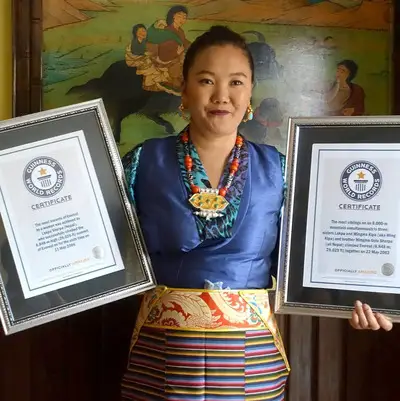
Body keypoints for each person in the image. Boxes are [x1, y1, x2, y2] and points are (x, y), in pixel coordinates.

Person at [120, 25, 392, 401]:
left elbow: (314, 257)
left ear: (250, 93)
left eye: (236, 82)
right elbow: (104, 248)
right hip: (162, 359)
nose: (221, 96)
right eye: (206, 80)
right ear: (184, 89)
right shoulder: (141, 162)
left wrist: (361, 296)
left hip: (251, 359)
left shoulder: (280, 170)